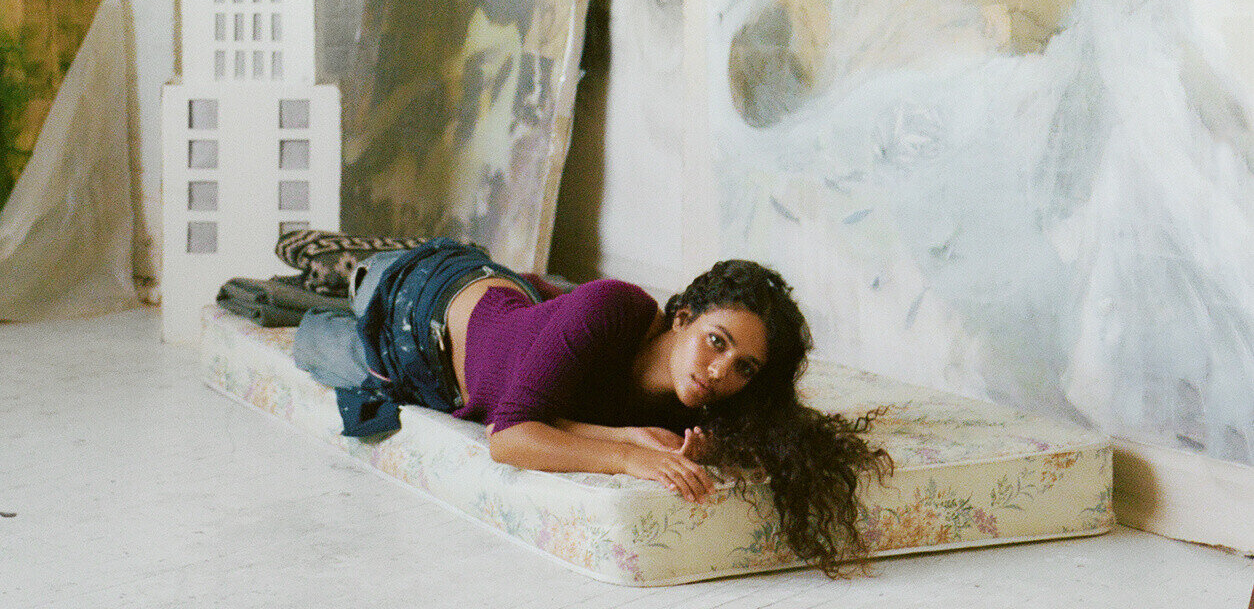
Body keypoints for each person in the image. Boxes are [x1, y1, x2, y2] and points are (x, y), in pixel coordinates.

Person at [295, 244, 890, 576]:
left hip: (508, 310)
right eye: (716, 341)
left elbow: (548, 416)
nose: (719, 373)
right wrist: (628, 456)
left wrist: (645, 437)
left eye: (745, 368)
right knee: (316, 333)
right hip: (424, 313)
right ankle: (357, 261)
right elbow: (509, 436)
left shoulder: (696, 406)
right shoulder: (612, 308)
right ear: (683, 318)